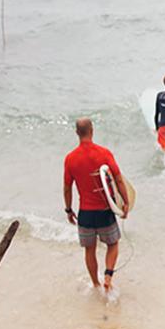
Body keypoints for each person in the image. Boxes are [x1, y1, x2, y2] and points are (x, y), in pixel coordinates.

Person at [63, 118, 128, 292]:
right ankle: (108, 276)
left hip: (85, 213)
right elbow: (119, 179)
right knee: (113, 244)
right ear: (92, 130)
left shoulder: (70, 158)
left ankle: (96, 284)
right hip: (105, 212)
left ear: (77, 133)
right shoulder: (104, 153)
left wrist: (69, 209)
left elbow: (67, 188)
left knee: (89, 250)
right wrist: (125, 202)